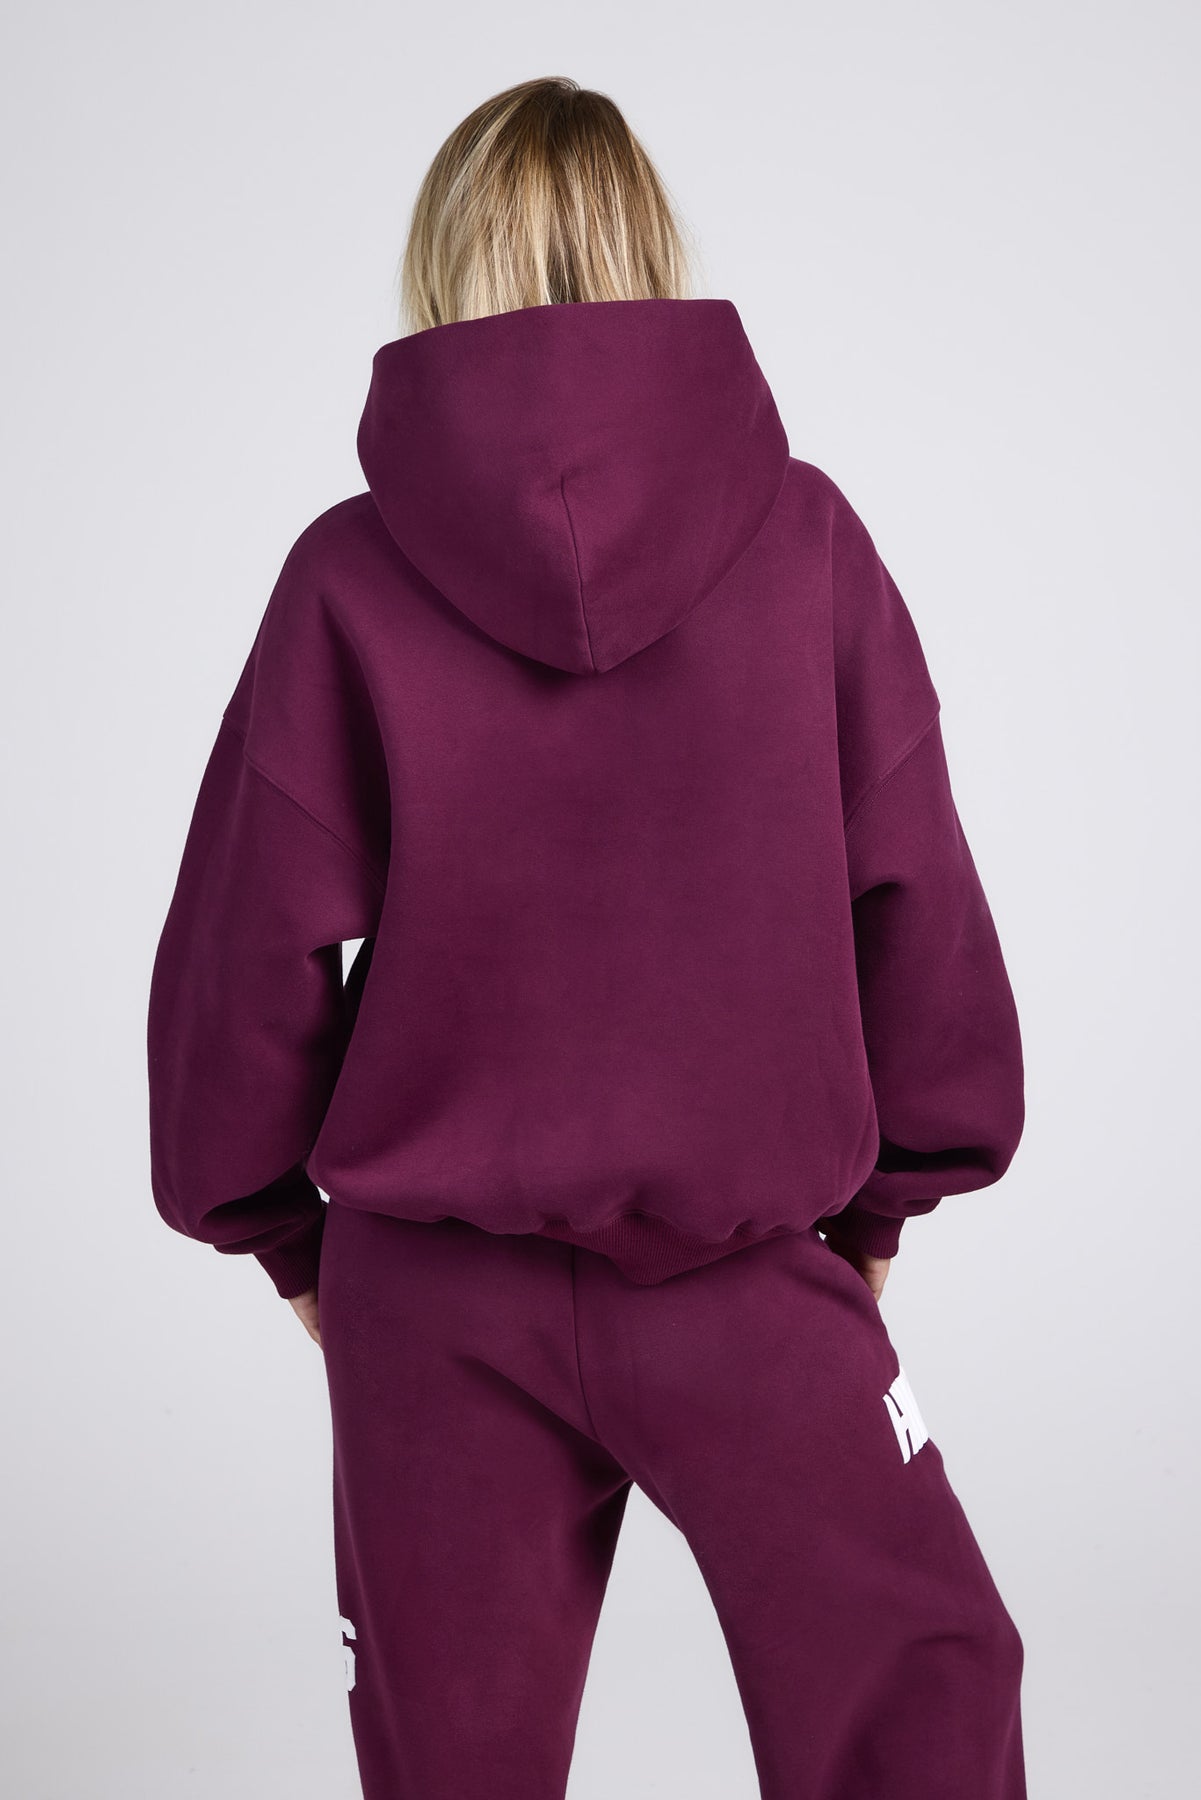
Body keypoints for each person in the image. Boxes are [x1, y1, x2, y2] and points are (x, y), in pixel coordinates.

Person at [146, 74, 1028, 1800]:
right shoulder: (806, 543)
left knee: (450, 1765)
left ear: (442, 264)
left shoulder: (346, 575)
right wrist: (885, 1200)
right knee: (920, 1694)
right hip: (740, 1269)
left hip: (428, 1295)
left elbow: (245, 945)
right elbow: (913, 891)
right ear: (650, 249)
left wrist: (277, 1235)